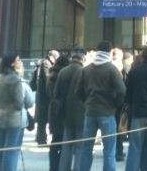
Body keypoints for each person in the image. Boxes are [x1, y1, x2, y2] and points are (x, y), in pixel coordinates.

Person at [76, 41, 126, 171]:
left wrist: (87, 103)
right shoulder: (111, 69)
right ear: (109, 52)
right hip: (107, 112)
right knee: (109, 151)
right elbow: (122, 91)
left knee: (86, 149)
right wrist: (114, 104)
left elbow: (78, 91)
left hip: (90, 112)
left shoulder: (86, 69)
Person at [0, 52, 35, 171]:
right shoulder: (16, 80)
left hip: (0, 118)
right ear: (12, 63)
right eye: (18, 60)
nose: (20, 62)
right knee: (11, 151)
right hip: (14, 120)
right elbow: (19, 103)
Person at [54, 47, 87, 171]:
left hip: (66, 112)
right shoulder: (84, 71)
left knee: (67, 145)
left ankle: (64, 169)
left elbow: (56, 92)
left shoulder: (63, 71)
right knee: (80, 145)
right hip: (81, 112)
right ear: (83, 58)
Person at [47, 54, 70, 171]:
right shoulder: (64, 75)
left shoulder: (50, 75)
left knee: (55, 138)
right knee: (62, 139)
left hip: (52, 108)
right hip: (62, 108)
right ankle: (60, 165)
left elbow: (48, 92)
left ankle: (53, 166)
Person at [35, 49, 59, 145]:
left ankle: (41, 138)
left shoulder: (46, 63)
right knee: (42, 119)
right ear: (51, 57)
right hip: (44, 97)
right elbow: (48, 78)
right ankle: (41, 138)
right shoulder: (46, 63)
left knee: (43, 119)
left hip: (44, 96)